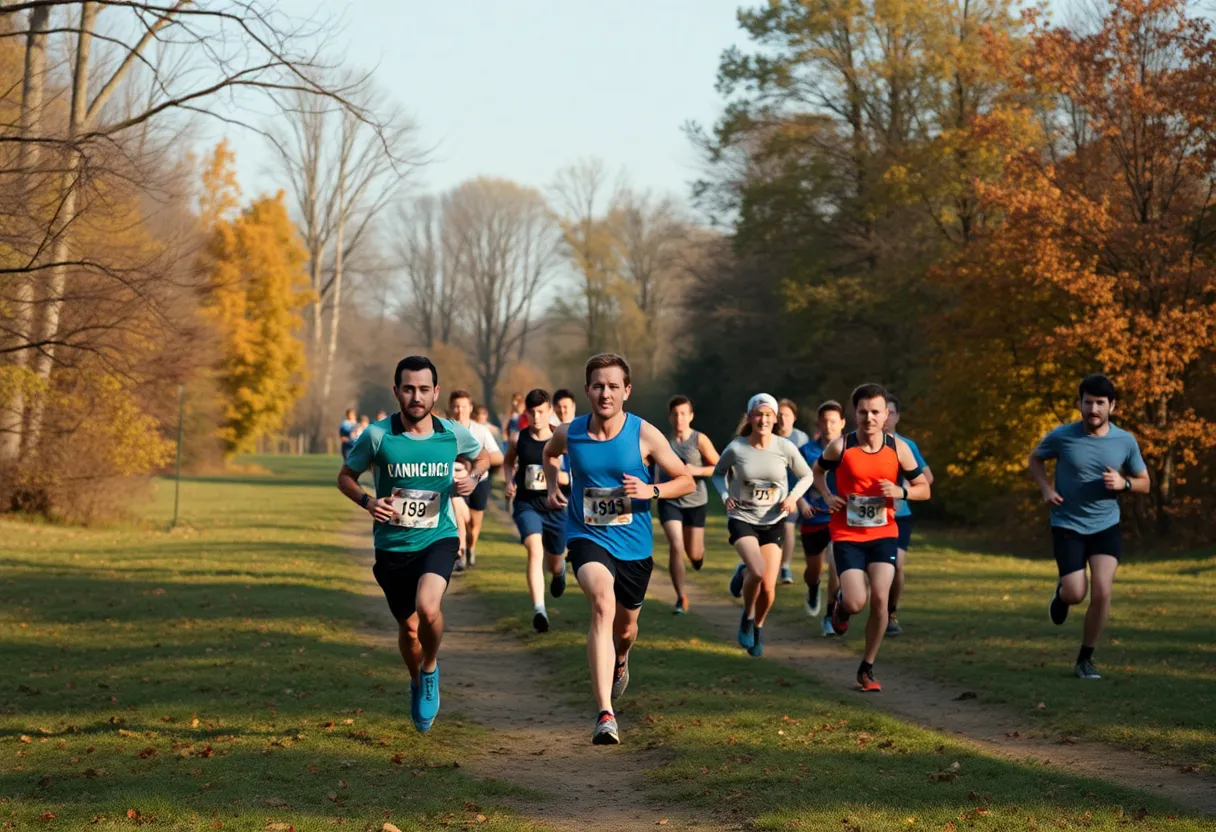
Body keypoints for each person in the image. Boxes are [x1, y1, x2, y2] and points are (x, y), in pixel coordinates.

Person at [542, 354, 694, 745]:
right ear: (587, 390)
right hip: (587, 537)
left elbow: (686, 480)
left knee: (625, 629)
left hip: (634, 547)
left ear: (626, 391)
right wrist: (553, 487)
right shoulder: (570, 432)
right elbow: (549, 453)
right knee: (601, 604)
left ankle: (622, 658)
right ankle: (605, 713)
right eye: (597, 385)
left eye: (613, 386)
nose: (604, 393)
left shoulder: (645, 434)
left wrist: (652, 490)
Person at [336, 355, 489, 733]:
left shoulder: (452, 433)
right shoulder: (377, 436)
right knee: (407, 629)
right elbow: (345, 477)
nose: (416, 396)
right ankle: (416, 678)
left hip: (439, 538)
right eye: (409, 389)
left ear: (435, 392)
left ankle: (431, 667)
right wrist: (369, 502)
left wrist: (473, 475)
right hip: (392, 546)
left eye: (424, 389)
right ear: (397, 392)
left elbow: (483, 456)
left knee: (428, 606)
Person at [1028, 374, 1149, 681]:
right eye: (1088, 402)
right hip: (1067, 523)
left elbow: (1145, 483)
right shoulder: (1063, 436)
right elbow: (1035, 459)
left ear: (1112, 406)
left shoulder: (1125, 441)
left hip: (1105, 526)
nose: (1093, 408)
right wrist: (1045, 489)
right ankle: (1062, 593)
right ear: (1079, 404)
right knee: (1075, 593)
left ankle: (1085, 659)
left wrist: (1124, 483)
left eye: (1100, 403)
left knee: (1103, 591)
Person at [811, 383, 930, 692]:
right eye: (863, 412)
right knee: (855, 601)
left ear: (886, 414)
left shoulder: (898, 448)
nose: (869, 418)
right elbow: (817, 471)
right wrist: (826, 495)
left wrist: (901, 491)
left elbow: (924, 488)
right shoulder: (841, 446)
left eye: (876, 412)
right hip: (847, 533)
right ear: (855, 413)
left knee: (879, 598)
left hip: (884, 533)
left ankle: (867, 668)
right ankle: (841, 607)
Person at [713, 394, 814, 657]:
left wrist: (792, 497)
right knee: (758, 572)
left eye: (769, 414)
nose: (764, 419)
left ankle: (758, 626)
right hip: (743, 518)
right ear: (750, 417)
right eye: (759, 414)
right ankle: (747, 616)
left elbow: (807, 475)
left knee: (769, 588)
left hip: (773, 522)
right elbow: (717, 473)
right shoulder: (737, 448)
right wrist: (725, 496)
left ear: (775, 419)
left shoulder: (784, 447)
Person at [504, 389, 570, 632]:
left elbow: (576, 468)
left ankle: (560, 569)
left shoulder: (561, 438)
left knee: (554, 561)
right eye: (531, 413)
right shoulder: (517, 439)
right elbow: (508, 461)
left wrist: (565, 478)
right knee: (534, 549)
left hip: (555, 507)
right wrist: (510, 480)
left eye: (541, 412)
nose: (536, 417)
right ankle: (539, 610)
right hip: (526, 504)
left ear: (549, 411)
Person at [657, 395, 720, 614]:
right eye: (675, 414)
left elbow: (719, 467)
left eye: (683, 414)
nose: (679, 418)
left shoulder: (699, 439)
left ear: (691, 416)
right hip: (669, 500)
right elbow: (656, 468)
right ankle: (680, 597)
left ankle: (698, 556)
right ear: (670, 417)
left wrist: (697, 471)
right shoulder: (663, 442)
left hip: (695, 501)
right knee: (676, 545)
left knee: (693, 553)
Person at [882, 394, 933, 636]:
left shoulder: (906, 446)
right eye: (882, 411)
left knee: (897, 565)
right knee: (874, 569)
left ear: (897, 417)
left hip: (899, 515)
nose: (886, 417)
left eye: (891, 412)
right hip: (868, 516)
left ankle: (891, 613)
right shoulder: (858, 444)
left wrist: (902, 490)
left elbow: (928, 479)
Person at [798, 400, 846, 634]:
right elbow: (793, 484)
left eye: (833, 421)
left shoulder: (850, 450)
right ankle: (813, 587)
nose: (828, 426)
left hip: (840, 519)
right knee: (814, 571)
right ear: (818, 423)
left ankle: (829, 616)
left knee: (837, 567)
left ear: (842, 424)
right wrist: (802, 502)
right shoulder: (806, 452)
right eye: (824, 421)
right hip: (813, 517)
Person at [448, 390, 505, 570]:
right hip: (454, 481)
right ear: (451, 408)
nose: (459, 410)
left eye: (463, 406)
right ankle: (460, 553)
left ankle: (471, 546)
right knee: (458, 513)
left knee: (474, 522)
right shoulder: (443, 430)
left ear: (470, 408)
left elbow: (498, 457)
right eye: (456, 406)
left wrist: (477, 460)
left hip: (480, 479)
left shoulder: (480, 431)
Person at [776, 399, 812, 585]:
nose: (782, 419)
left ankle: (785, 566)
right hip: (771, 491)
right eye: (779, 415)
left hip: (793, 492)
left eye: (786, 415)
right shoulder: (768, 435)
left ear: (794, 418)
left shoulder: (801, 439)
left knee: (789, 526)